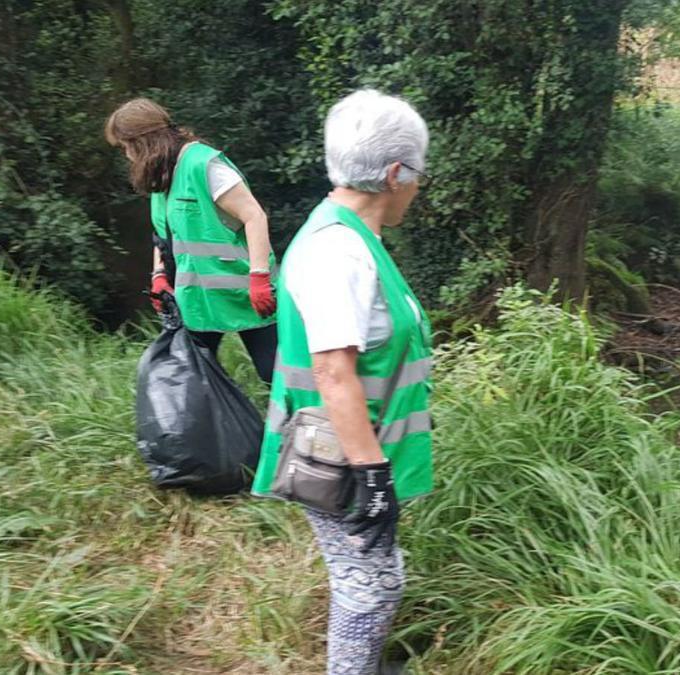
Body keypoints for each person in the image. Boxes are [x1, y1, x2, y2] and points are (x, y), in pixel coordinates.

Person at [251, 89, 434, 675]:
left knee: (379, 576)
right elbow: (333, 372)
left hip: (352, 451)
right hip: (337, 459)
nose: (418, 187)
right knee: (367, 588)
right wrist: (374, 476)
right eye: (418, 176)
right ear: (396, 172)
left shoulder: (353, 237)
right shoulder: (338, 252)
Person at [105, 98, 278, 383]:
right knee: (193, 378)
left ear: (143, 141)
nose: (126, 155)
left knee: (273, 371)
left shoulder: (204, 165)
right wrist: (159, 275)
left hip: (246, 292)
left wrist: (259, 277)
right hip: (197, 299)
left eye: (126, 146)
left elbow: (254, 216)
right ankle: (221, 428)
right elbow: (162, 236)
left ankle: (304, 422)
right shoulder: (161, 177)